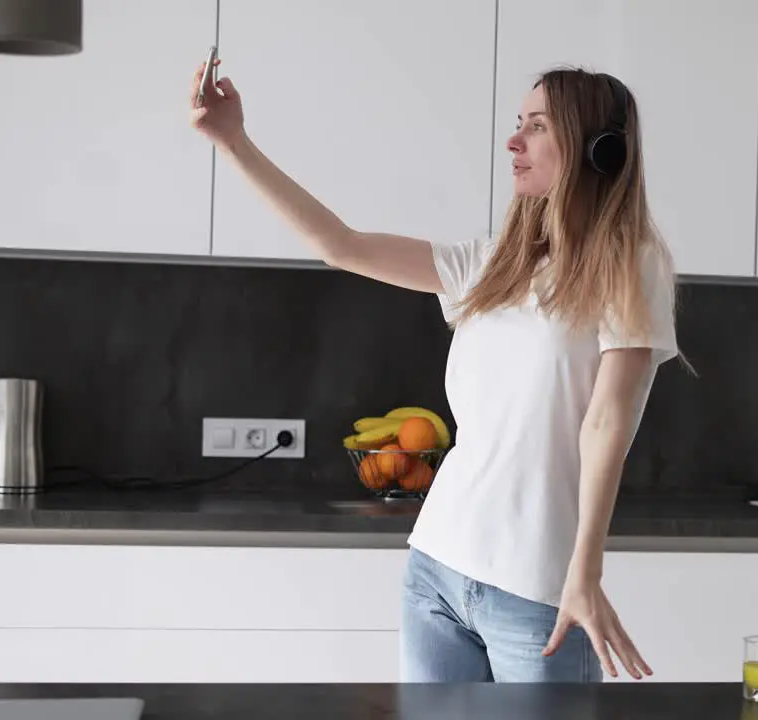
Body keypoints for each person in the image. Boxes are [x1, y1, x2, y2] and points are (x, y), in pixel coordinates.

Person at [190, 59, 682, 684]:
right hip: (436, 568)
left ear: (598, 150)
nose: (513, 141)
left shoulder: (630, 265)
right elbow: (341, 246)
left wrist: (585, 574)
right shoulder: (494, 266)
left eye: (537, 126)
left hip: (536, 592)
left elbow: (607, 421)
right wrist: (236, 143)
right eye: (518, 124)